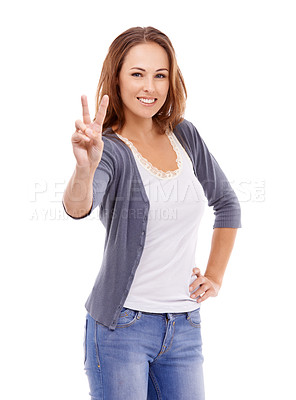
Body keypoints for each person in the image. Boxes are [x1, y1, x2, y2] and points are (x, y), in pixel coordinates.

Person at [62, 26, 241, 400]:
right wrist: (85, 167)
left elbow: (226, 203)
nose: (150, 87)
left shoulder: (184, 135)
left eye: (160, 75)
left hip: (185, 327)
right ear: (117, 79)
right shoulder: (109, 149)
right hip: (122, 328)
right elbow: (79, 207)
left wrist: (214, 276)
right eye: (137, 74)